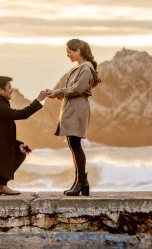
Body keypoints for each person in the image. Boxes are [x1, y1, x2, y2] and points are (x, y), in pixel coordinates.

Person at [47, 39, 101, 196]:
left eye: (69, 51)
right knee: (73, 144)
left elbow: (77, 89)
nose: (68, 55)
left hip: (77, 109)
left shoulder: (86, 68)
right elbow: (73, 89)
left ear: (78, 51)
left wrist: (58, 92)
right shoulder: (80, 68)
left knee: (75, 145)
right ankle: (81, 183)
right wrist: (56, 93)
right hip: (73, 108)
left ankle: (81, 182)